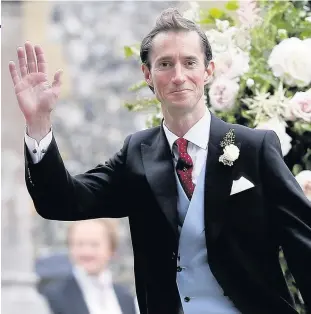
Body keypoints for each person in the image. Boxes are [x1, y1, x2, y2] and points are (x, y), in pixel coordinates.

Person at [9, 7, 311, 314]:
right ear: (147, 74)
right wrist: (38, 122)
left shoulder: (254, 148)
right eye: (165, 64)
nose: (178, 76)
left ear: (208, 70)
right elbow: (61, 201)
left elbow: (304, 244)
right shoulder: (137, 154)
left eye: (189, 62)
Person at [41, 219, 138, 314]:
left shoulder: (126, 298)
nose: (86, 252)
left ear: (111, 249)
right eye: (79, 244)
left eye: (94, 244)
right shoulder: (55, 296)